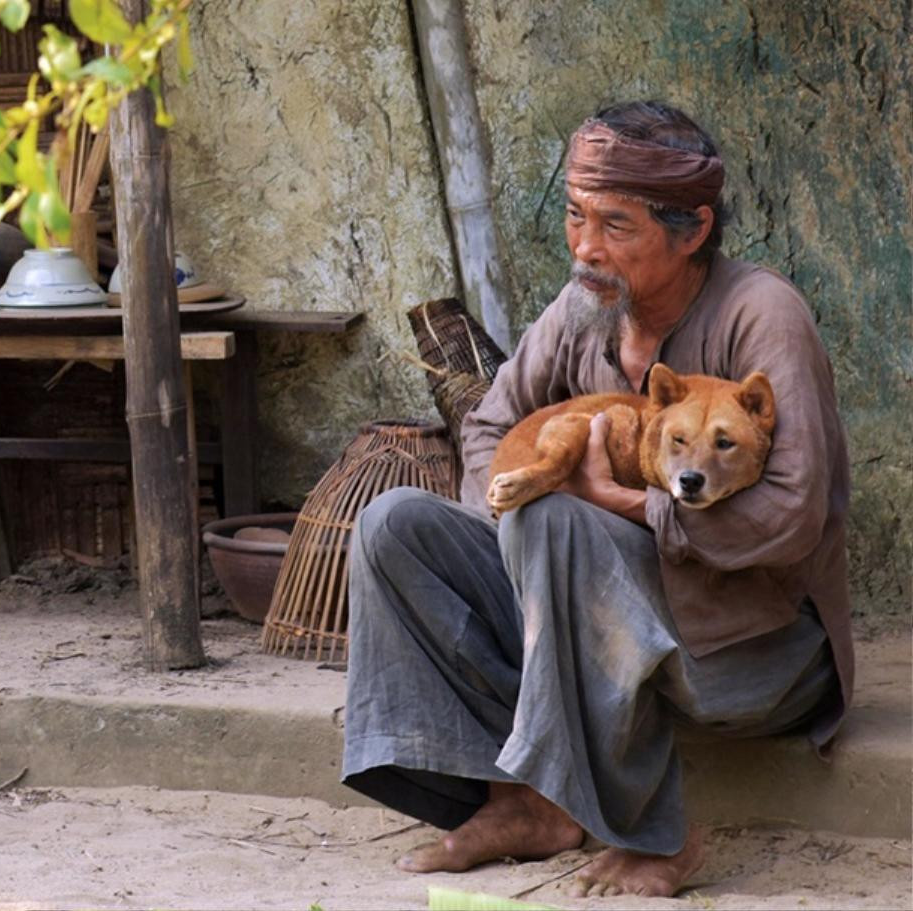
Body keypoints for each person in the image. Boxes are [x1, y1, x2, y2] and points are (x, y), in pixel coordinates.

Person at [341, 100, 854, 898]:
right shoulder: (584, 305)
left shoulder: (763, 316)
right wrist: (514, 531)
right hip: (591, 623)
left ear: (691, 231)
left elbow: (792, 512)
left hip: (750, 651)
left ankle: (655, 828)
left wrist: (619, 503)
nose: (585, 246)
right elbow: (487, 428)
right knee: (393, 526)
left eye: (615, 225)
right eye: (577, 217)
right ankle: (520, 798)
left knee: (560, 519)